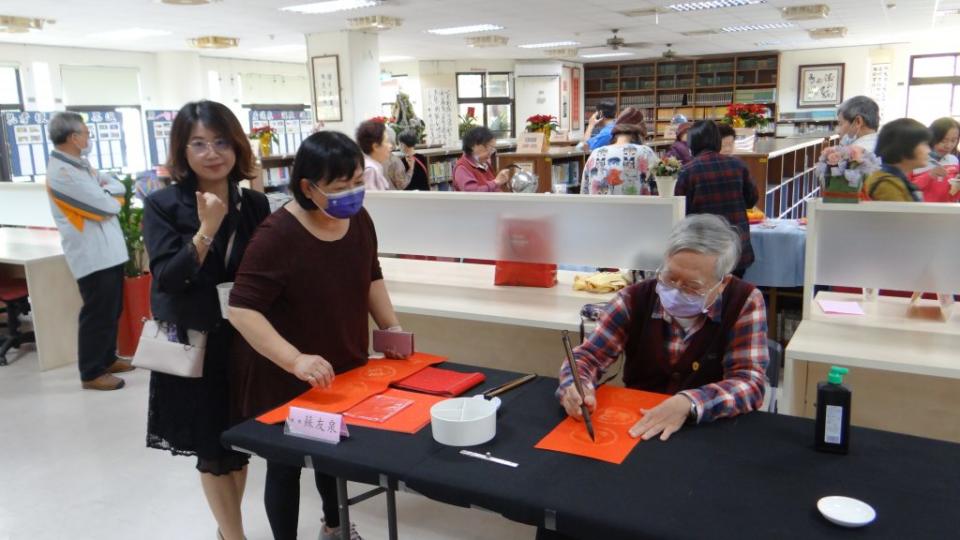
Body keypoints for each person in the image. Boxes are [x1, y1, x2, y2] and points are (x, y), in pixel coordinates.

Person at [228, 131, 405, 540]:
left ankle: (336, 525)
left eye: (359, 181)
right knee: (286, 465)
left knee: (332, 453)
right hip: (285, 374)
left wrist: (391, 329)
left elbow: (370, 275)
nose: (354, 193)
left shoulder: (357, 219)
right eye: (341, 187)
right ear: (308, 187)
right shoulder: (277, 236)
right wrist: (295, 360)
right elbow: (241, 309)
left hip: (342, 363)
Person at [142, 100, 270, 540]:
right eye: (198, 143)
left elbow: (265, 272)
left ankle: (224, 531)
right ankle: (235, 536)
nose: (211, 152)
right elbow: (167, 277)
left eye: (220, 141)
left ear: (236, 145)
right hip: (194, 342)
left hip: (242, 338)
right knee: (211, 449)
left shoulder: (254, 203)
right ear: (183, 149)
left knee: (236, 447)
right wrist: (206, 229)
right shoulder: (162, 204)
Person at [556, 213, 768, 439]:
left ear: (722, 283)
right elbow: (588, 356)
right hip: (638, 425)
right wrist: (576, 387)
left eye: (692, 286)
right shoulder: (635, 299)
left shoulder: (744, 301)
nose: (676, 290)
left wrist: (690, 403)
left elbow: (750, 383)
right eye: (670, 277)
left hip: (706, 430)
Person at [45, 112, 133, 391]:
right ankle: (91, 371)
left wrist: (108, 193)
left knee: (112, 308)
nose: (89, 138)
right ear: (73, 138)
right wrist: (109, 195)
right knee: (97, 312)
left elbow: (116, 186)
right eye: (86, 133)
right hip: (92, 255)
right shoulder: (62, 173)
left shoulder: (81, 165)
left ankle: (107, 358)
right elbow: (107, 206)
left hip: (108, 251)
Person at [674, 120, 758, 278]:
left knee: (707, 297)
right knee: (733, 295)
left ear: (692, 144)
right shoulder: (738, 165)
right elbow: (752, 199)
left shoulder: (687, 172)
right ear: (717, 141)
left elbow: (680, 212)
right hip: (737, 247)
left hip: (704, 248)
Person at [862, 118, 931, 202]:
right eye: (923, 144)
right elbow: (902, 215)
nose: (928, 151)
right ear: (905, 146)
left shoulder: (891, 179)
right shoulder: (887, 184)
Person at [580, 123, 659, 195]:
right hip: (638, 209)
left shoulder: (595, 154)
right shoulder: (646, 152)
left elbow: (584, 191)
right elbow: (661, 187)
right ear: (639, 135)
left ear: (614, 136)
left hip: (599, 210)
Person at [910, 117, 960, 202]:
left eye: (953, 141)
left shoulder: (954, 160)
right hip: (920, 211)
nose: (948, 146)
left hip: (947, 211)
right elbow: (906, 189)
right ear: (931, 137)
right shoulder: (915, 160)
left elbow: (954, 192)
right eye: (944, 141)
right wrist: (929, 175)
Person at [453, 126, 512, 192]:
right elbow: (472, 194)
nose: (490, 153)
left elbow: (495, 189)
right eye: (489, 148)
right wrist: (496, 182)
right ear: (472, 145)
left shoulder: (485, 164)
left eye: (493, 149)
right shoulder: (462, 167)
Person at [580, 107, 646, 152]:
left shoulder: (606, 133)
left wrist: (590, 125)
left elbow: (583, 147)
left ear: (601, 113)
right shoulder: (646, 152)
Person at [356, 119, 394, 191]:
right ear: (375, 146)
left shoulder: (372, 165)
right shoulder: (370, 170)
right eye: (387, 141)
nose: (390, 146)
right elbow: (370, 200)